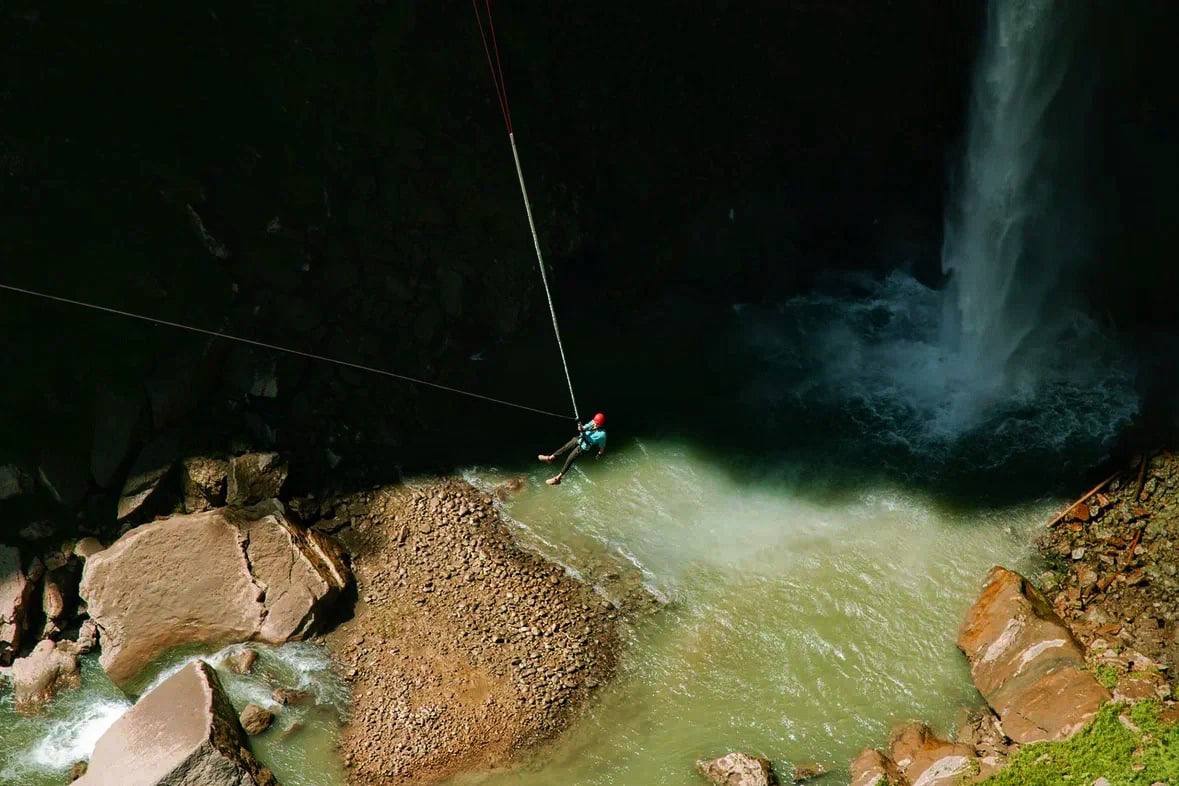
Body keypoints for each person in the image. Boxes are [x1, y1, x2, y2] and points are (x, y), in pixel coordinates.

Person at [538, 412, 607, 485]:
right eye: (594, 422)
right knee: (565, 447)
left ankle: (558, 478)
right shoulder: (593, 422)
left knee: (570, 458)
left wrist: (599, 454)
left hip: (583, 447)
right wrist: (580, 427)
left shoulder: (602, 435)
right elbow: (582, 428)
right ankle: (550, 458)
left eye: (597, 424)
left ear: (600, 424)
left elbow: (602, 447)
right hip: (579, 438)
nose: (594, 424)